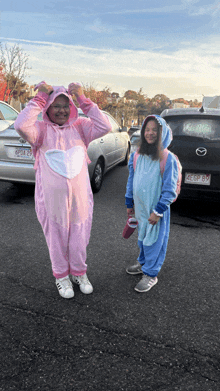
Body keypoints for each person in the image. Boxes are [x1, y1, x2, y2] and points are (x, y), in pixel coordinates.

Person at [14, 82, 111, 299]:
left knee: (79, 237)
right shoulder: (39, 131)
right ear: (47, 108)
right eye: (55, 105)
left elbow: (105, 126)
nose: (61, 110)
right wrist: (40, 96)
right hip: (51, 201)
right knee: (56, 238)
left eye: (65, 105)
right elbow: (20, 125)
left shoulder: (80, 127)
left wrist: (83, 98)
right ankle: (61, 276)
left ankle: (79, 272)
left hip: (80, 200)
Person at [125, 114, 178, 293]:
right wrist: (129, 201)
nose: (150, 133)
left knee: (154, 240)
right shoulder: (137, 155)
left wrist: (159, 210)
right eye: (147, 129)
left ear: (162, 133)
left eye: (155, 129)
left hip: (156, 210)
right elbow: (132, 179)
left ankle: (151, 274)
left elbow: (170, 189)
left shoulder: (167, 158)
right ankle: (143, 263)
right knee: (142, 238)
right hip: (140, 208)